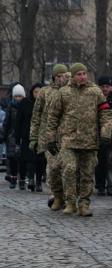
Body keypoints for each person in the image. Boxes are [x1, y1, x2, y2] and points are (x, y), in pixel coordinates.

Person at [44, 63, 112, 217]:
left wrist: (106, 134)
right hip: (68, 140)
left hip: (89, 141)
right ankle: (70, 202)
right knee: (69, 169)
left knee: (87, 174)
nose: (82, 77)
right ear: (73, 76)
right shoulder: (63, 93)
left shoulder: (95, 92)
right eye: (79, 74)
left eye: (84, 73)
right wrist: (50, 138)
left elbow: (105, 114)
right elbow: (53, 117)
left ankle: (84, 204)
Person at [29, 65, 70, 209]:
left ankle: (67, 196)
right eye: (58, 76)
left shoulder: (71, 91)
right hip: (49, 137)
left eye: (63, 76)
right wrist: (33, 137)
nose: (60, 79)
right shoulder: (45, 92)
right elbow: (36, 116)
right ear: (53, 77)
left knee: (67, 167)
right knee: (53, 167)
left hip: (68, 136)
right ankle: (55, 194)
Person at [95, 76, 112, 196]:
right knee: (99, 161)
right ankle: (100, 185)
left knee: (110, 161)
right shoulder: (95, 98)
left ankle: (111, 185)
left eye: (107, 87)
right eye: (103, 87)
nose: (105, 89)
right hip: (97, 134)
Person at [3, 84, 25, 189]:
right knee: (12, 158)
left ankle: (21, 179)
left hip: (23, 135)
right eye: (16, 96)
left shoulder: (26, 106)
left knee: (21, 158)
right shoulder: (10, 107)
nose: (18, 98)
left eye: (20, 96)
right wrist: (3, 135)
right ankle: (13, 179)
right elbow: (6, 122)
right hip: (11, 135)